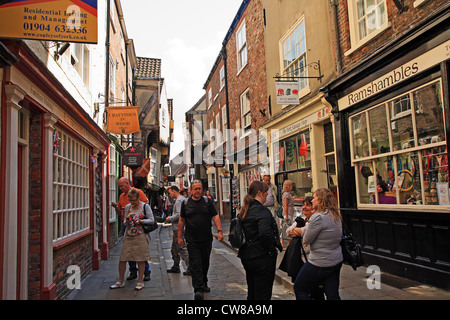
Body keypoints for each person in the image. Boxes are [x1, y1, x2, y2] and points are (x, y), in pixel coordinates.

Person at [293, 188, 343, 300]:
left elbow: (306, 240)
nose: (312, 201)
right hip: (336, 260)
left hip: (320, 261)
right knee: (332, 294)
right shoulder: (335, 214)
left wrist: (300, 231)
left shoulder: (318, 217)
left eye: (314, 198)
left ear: (321, 200)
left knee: (300, 288)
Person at [178, 180, 224, 300]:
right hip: (191, 239)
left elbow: (215, 215)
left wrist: (220, 231)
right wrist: (179, 236)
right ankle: (198, 289)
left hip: (206, 238)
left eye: (199, 188)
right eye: (195, 189)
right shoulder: (186, 203)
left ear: (202, 190)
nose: (198, 191)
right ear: (191, 190)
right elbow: (182, 220)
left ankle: (203, 282)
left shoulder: (207, 202)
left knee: (205, 262)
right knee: (195, 263)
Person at [238, 180, 283, 300]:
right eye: (266, 193)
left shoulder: (244, 210)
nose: (267, 196)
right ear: (259, 193)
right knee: (263, 293)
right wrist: (271, 251)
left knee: (252, 291)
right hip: (261, 257)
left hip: (247, 256)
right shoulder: (262, 211)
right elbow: (264, 233)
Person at [110, 189, 155, 290]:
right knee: (123, 259)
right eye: (130, 200)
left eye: (134, 200)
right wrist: (126, 221)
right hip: (129, 236)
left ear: (138, 198)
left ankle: (140, 282)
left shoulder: (145, 206)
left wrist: (141, 221)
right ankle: (121, 281)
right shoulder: (127, 207)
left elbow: (152, 220)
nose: (132, 203)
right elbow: (125, 222)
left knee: (141, 259)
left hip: (141, 236)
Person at [165, 186, 190, 275]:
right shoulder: (183, 199)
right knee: (174, 249)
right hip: (178, 228)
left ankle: (190, 267)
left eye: (170, 193)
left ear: (174, 191)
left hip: (179, 228)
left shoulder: (179, 201)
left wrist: (170, 218)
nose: (169, 195)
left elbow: (179, 215)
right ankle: (176, 266)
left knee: (182, 248)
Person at [281, 179, 295, 250]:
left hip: (290, 213)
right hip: (288, 213)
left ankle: (287, 243)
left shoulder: (288, 194)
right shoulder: (286, 195)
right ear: (288, 186)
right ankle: (283, 243)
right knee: (286, 228)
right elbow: (285, 206)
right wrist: (286, 216)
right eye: (291, 185)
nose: (292, 186)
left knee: (287, 227)